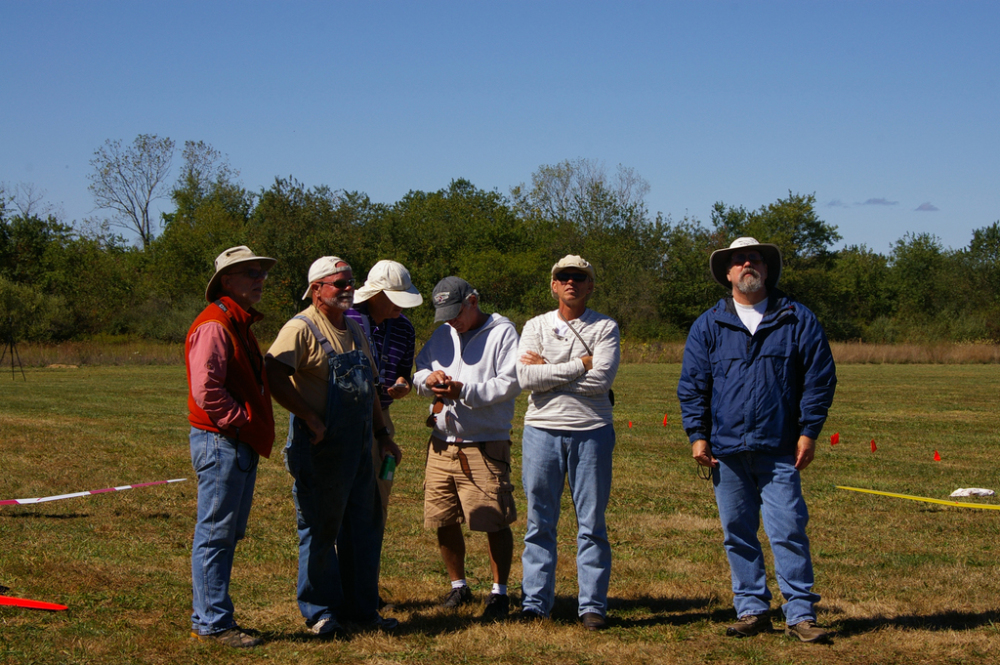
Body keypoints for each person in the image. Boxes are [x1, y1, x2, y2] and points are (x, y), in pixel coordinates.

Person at [677, 237, 837, 644]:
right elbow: (693, 386)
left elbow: (819, 380)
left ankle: (800, 613)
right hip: (726, 451)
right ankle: (751, 608)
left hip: (780, 446)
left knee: (788, 530)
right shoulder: (708, 325)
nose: (748, 265)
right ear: (727, 273)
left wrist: (808, 432)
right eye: (739, 260)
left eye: (755, 260)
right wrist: (698, 436)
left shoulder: (797, 318)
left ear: (766, 270)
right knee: (738, 532)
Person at [264, 256, 402, 636]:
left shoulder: (355, 331)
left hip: (359, 450)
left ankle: (362, 610)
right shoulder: (300, 328)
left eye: (349, 282)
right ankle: (320, 612)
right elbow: (272, 372)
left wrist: (382, 435)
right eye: (337, 283)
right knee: (321, 529)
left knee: (363, 528)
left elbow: (370, 389)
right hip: (319, 449)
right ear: (316, 289)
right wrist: (307, 416)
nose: (346, 288)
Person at [516, 255, 620, 630]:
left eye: (580, 277)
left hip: (591, 430)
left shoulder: (605, 327)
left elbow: (601, 382)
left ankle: (592, 605)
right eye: (564, 277)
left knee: (591, 523)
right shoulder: (534, 325)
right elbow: (526, 378)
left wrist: (549, 370)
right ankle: (534, 603)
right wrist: (580, 364)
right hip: (541, 430)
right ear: (554, 285)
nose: (571, 282)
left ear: (590, 285)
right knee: (539, 521)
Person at [412, 277, 521, 620]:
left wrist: (464, 391)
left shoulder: (504, 333)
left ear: (473, 301)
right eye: (443, 314)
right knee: (443, 518)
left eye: (455, 313)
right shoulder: (444, 333)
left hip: (484, 444)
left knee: (493, 520)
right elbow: (420, 368)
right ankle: (458, 585)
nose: (450, 321)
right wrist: (427, 380)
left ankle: (499, 592)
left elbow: (510, 382)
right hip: (442, 444)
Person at [187, 245, 276, 648]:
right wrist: (242, 422)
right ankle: (212, 623)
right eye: (249, 273)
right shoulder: (215, 324)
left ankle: (213, 615)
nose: (259, 279)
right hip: (222, 441)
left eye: (261, 272)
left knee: (226, 531)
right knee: (215, 533)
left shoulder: (236, 322)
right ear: (227, 281)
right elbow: (206, 390)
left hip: (234, 443)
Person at [345, 260, 422, 584]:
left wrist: (403, 385)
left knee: (377, 505)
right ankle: (336, 588)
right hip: (346, 419)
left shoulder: (404, 327)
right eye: (394, 299)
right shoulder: (344, 319)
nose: (398, 308)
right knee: (343, 504)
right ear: (375, 295)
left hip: (383, 420)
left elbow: (405, 368)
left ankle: (365, 586)